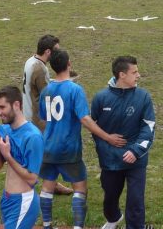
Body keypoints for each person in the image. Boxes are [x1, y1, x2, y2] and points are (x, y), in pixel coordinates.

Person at [38, 49, 126, 229]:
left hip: (47, 146)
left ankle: (47, 225)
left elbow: (43, 119)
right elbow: (85, 119)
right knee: (80, 188)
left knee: (47, 187)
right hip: (68, 147)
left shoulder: (46, 90)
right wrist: (108, 137)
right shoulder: (75, 89)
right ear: (69, 64)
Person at [91, 56, 156, 229]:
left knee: (136, 201)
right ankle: (113, 218)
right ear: (122, 75)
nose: (138, 75)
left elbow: (148, 128)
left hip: (136, 160)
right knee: (110, 197)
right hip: (110, 159)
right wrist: (105, 144)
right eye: (134, 72)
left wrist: (135, 151)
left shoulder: (143, 97)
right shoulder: (101, 98)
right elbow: (93, 126)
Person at [22, 35, 74, 196]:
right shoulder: (41, 69)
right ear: (47, 51)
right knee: (49, 152)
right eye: (56, 51)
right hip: (38, 118)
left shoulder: (30, 61)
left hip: (28, 112)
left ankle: (51, 183)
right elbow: (47, 95)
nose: (59, 55)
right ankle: (50, 185)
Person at [0, 85, 44, 229]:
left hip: (23, 203)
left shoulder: (33, 137)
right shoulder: (6, 130)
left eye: (2, 107)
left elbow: (32, 178)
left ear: (16, 105)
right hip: (7, 199)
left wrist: (8, 155)